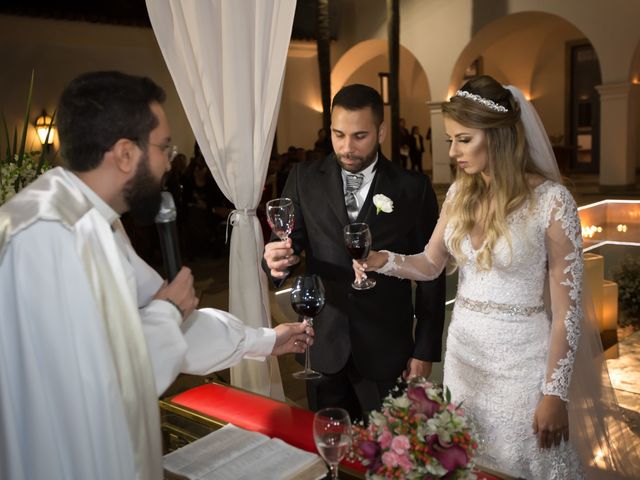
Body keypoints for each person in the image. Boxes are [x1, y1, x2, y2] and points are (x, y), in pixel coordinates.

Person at [0, 71, 313, 480]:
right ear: (126, 153)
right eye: (164, 147)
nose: (169, 161)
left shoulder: (94, 221)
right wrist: (166, 313)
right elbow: (97, 383)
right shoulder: (46, 236)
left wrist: (265, 340)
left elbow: (170, 323)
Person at [355, 75, 640, 479]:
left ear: (499, 136)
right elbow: (430, 264)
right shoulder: (459, 195)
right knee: (467, 461)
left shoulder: (552, 203)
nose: (452, 151)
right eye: (450, 139)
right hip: (464, 359)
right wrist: (379, 258)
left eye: (463, 139)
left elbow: (568, 313)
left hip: (522, 365)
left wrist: (554, 393)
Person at [263, 84, 446, 422]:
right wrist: (275, 263)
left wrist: (425, 349)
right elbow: (288, 244)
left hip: (387, 349)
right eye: (338, 134)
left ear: (381, 131)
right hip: (323, 346)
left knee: (390, 457)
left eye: (360, 136)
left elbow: (431, 275)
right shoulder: (305, 178)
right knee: (330, 452)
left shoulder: (412, 188)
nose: (347, 147)